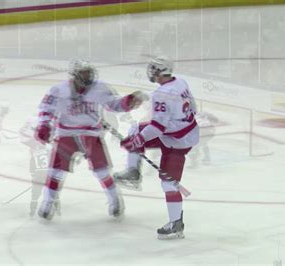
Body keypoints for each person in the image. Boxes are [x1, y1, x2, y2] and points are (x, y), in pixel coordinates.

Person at [34, 59, 147, 220]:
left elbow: (114, 104)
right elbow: (46, 108)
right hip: (66, 134)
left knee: (102, 171)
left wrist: (128, 101)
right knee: (55, 172)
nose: (88, 76)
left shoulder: (100, 88)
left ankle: (115, 199)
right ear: (75, 74)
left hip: (91, 134)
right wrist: (44, 125)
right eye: (84, 73)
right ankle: (49, 201)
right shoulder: (59, 90)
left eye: (89, 72)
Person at [114, 56, 199, 239]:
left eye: (153, 69)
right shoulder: (180, 82)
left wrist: (137, 142)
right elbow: (194, 108)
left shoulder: (163, 94)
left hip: (176, 141)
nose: (151, 72)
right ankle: (133, 172)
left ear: (159, 71)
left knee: (168, 183)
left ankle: (176, 223)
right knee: (135, 128)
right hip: (185, 132)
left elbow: (157, 128)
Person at [19, 117, 57, 217]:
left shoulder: (35, 150)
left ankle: (32, 210)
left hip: (38, 176)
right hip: (47, 176)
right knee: (52, 192)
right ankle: (56, 208)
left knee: (35, 194)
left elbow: (32, 165)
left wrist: (33, 174)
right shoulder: (49, 151)